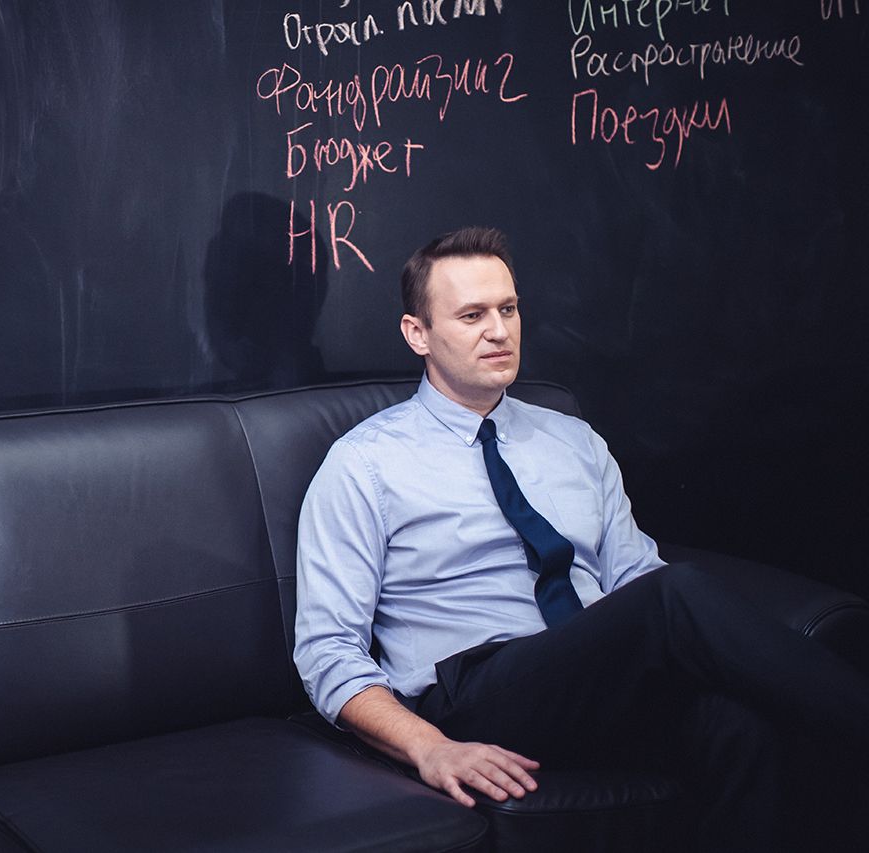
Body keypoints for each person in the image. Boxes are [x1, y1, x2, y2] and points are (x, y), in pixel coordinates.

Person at [293, 226, 868, 853]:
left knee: (738, 725)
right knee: (673, 595)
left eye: (509, 309)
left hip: (593, 684)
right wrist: (429, 747)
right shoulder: (364, 464)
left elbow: (633, 578)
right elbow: (327, 650)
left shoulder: (574, 440)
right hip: (475, 694)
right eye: (472, 315)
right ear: (418, 334)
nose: (499, 331)